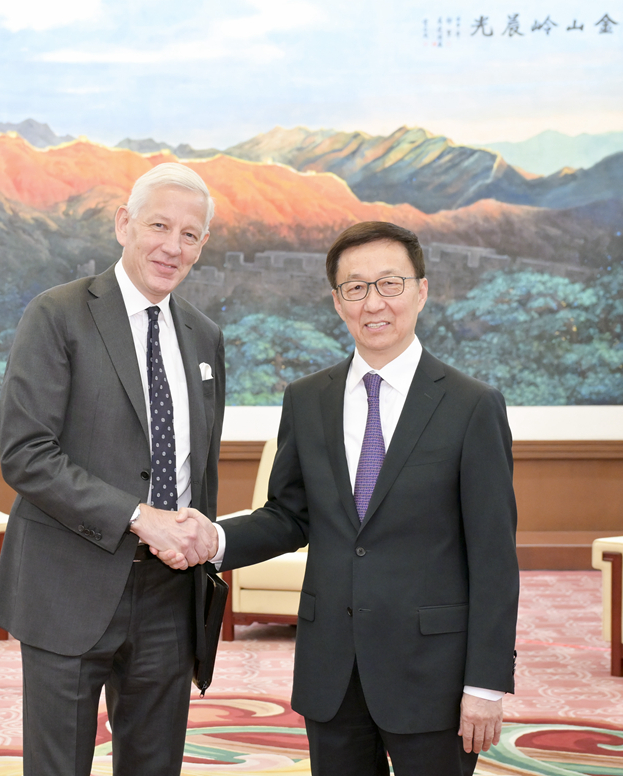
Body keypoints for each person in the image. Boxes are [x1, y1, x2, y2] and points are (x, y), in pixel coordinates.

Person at [166, 221, 519, 776]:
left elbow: (494, 557)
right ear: (337, 301)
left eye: (390, 284)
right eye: (355, 287)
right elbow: (289, 515)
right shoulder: (307, 399)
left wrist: (486, 684)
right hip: (331, 670)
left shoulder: (472, 406)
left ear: (421, 291)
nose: (373, 303)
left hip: (433, 675)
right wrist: (215, 538)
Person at [0, 162, 224, 776]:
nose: (172, 247)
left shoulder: (205, 337)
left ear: (202, 245)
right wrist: (139, 518)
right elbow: (26, 454)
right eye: (159, 226)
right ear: (124, 224)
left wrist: (199, 540)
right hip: (69, 585)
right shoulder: (57, 314)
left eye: (189, 235)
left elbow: (200, 467)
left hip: (171, 597)